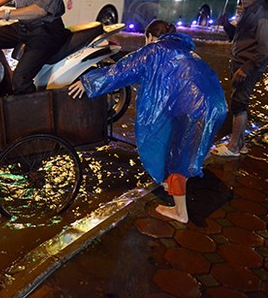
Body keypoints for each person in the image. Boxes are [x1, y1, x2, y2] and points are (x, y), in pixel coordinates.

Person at [69, 20, 227, 223]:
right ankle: (173, 185)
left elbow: (121, 70)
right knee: (185, 151)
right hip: (216, 105)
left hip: (194, 109)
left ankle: (181, 212)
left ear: (150, 37)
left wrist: (88, 82)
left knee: (178, 156)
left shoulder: (154, 50)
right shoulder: (184, 50)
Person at [211, 0, 268, 157]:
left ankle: (233, 147)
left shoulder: (265, 15)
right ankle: (240, 144)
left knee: (239, 104)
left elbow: (266, 49)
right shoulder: (249, 11)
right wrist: (226, 25)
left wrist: (246, 69)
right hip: (240, 64)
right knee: (237, 101)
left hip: (247, 66)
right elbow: (240, 38)